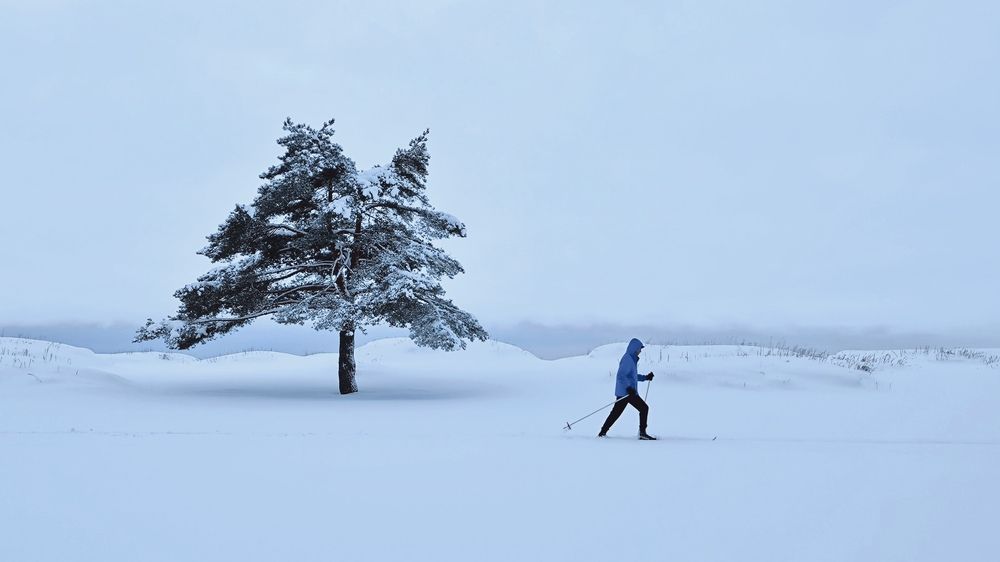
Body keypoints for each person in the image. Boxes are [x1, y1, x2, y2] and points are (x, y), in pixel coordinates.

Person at [598, 338, 656, 440]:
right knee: (644, 408)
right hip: (627, 393)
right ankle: (642, 433)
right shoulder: (627, 359)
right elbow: (621, 376)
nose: (640, 351)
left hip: (627, 392)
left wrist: (645, 377)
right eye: (639, 348)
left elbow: (632, 376)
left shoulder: (631, 359)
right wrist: (628, 388)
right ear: (634, 348)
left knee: (616, 413)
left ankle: (602, 432)